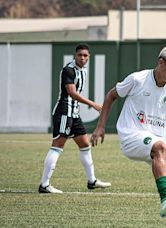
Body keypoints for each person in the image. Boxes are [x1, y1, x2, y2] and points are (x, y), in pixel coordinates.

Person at [90, 46, 166, 217]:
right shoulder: (137, 79)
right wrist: (100, 126)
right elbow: (111, 96)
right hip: (131, 135)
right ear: (161, 62)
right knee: (160, 147)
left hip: (157, 141)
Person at [39, 43, 111, 193]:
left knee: (85, 145)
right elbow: (71, 93)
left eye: (85, 56)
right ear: (75, 55)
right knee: (57, 146)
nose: (83, 58)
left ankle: (92, 181)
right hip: (64, 112)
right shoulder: (69, 70)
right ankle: (44, 185)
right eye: (80, 55)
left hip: (74, 114)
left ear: (89, 57)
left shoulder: (83, 70)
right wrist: (93, 104)